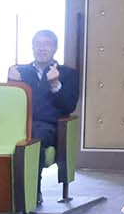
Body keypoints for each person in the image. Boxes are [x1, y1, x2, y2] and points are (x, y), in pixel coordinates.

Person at [10, 29, 82, 204]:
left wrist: (55, 84)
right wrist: (12, 83)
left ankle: (32, 192)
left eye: (47, 44)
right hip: (19, 123)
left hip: (47, 126)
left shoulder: (68, 74)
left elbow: (69, 106)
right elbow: (10, 102)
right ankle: (6, 194)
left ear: (55, 48)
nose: (42, 48)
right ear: (32, 47)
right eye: (38, 44)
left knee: (34, 137)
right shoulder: (20, 71)